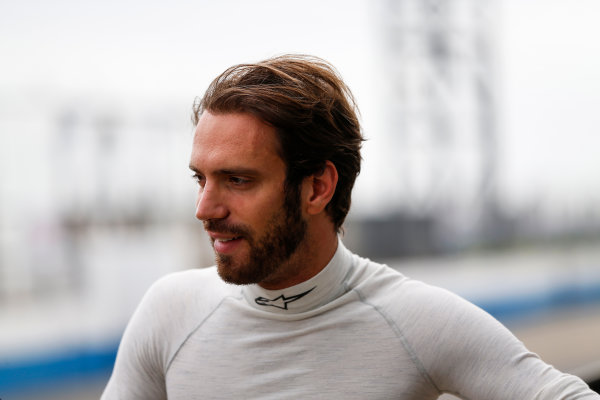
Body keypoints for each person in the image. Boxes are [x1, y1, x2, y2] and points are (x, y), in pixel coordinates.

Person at [102, 55, 599, 399]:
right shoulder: (168, 313)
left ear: (317, 188)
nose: (205, 208)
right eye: (200, 179)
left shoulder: (418, 321)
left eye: (237, 180)